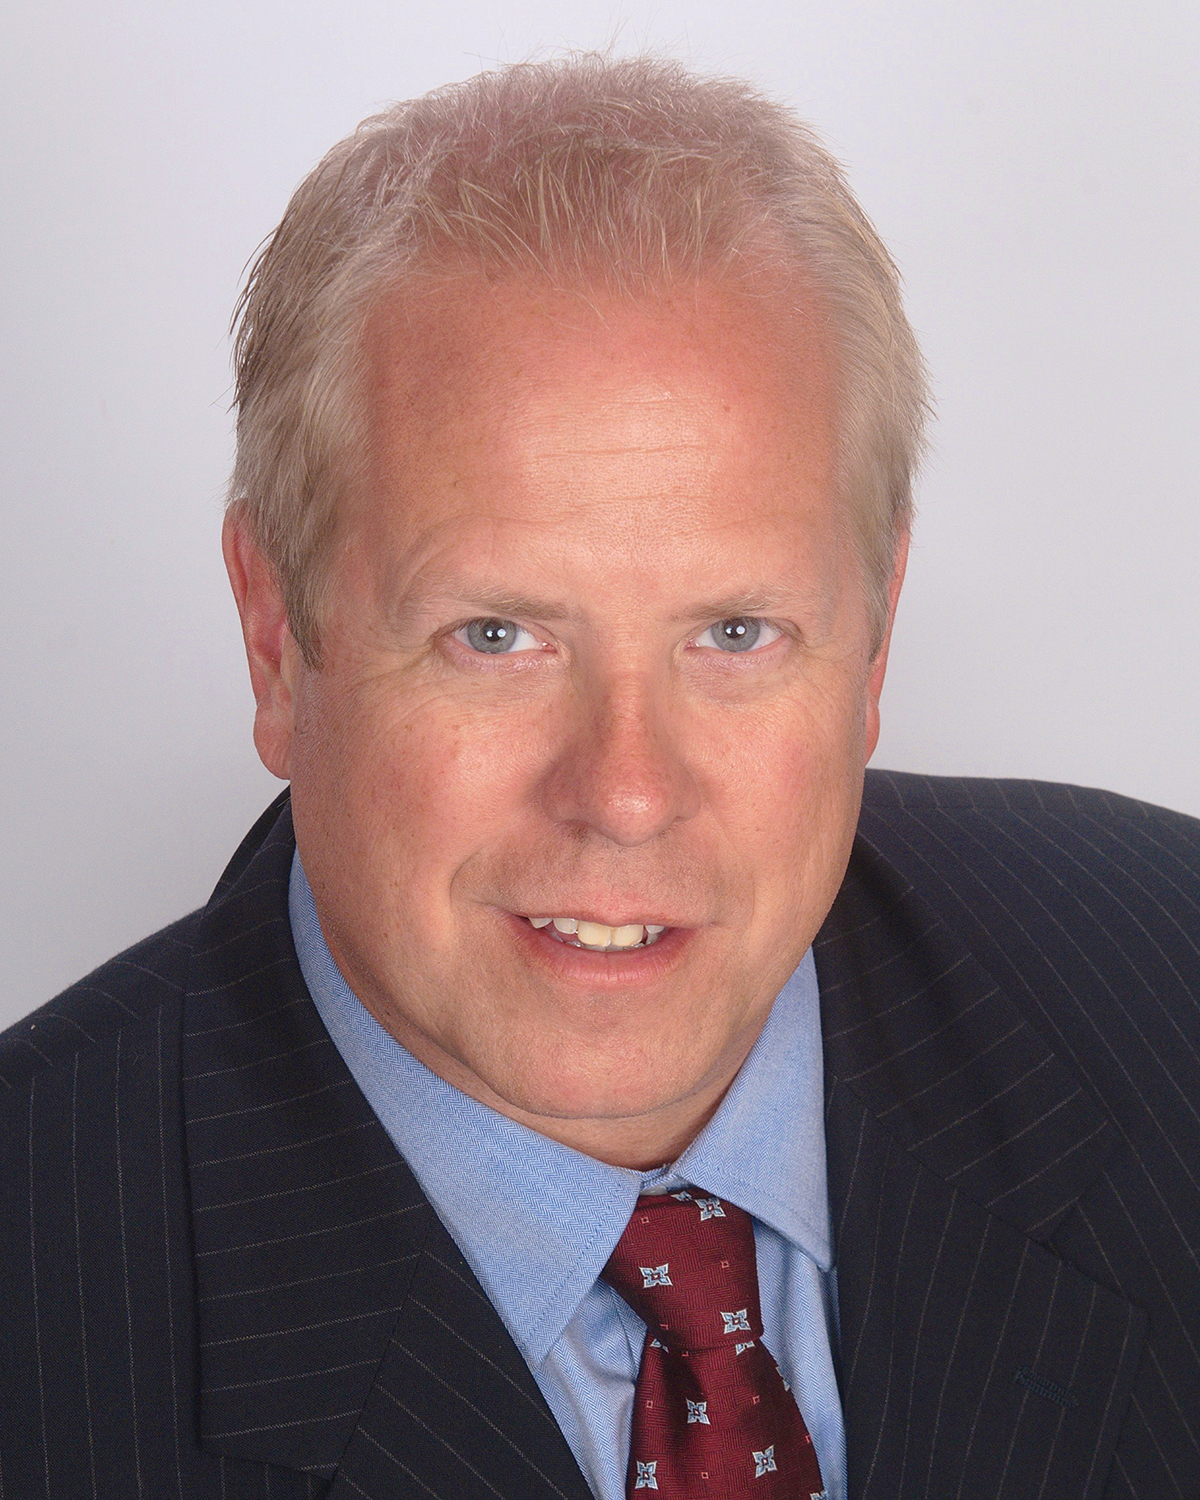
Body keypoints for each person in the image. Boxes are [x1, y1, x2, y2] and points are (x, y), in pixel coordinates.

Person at [1, 53, 1197, 1500]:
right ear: (276, 639)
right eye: (495, 636)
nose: (626, 793)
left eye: (736, 633)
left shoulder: (1169, 981)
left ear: (875, 633)